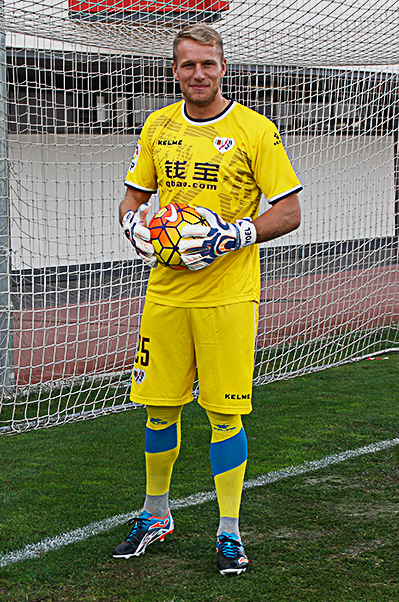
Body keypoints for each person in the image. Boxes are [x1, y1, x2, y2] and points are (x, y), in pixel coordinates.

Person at [114, 22, 302, 576]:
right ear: (174, 70)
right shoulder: (158, 126)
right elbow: (132, 200)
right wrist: (134, 229)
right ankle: (155, 514)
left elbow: (288, 211)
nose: (199, 74)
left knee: (224, 415)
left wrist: (236, 234)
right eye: (188, 64)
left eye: (208, 64)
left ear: (223, 68)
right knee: (159, 408)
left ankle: (228, 532)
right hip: (166, 294)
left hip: (228, 296)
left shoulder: (254, 131)